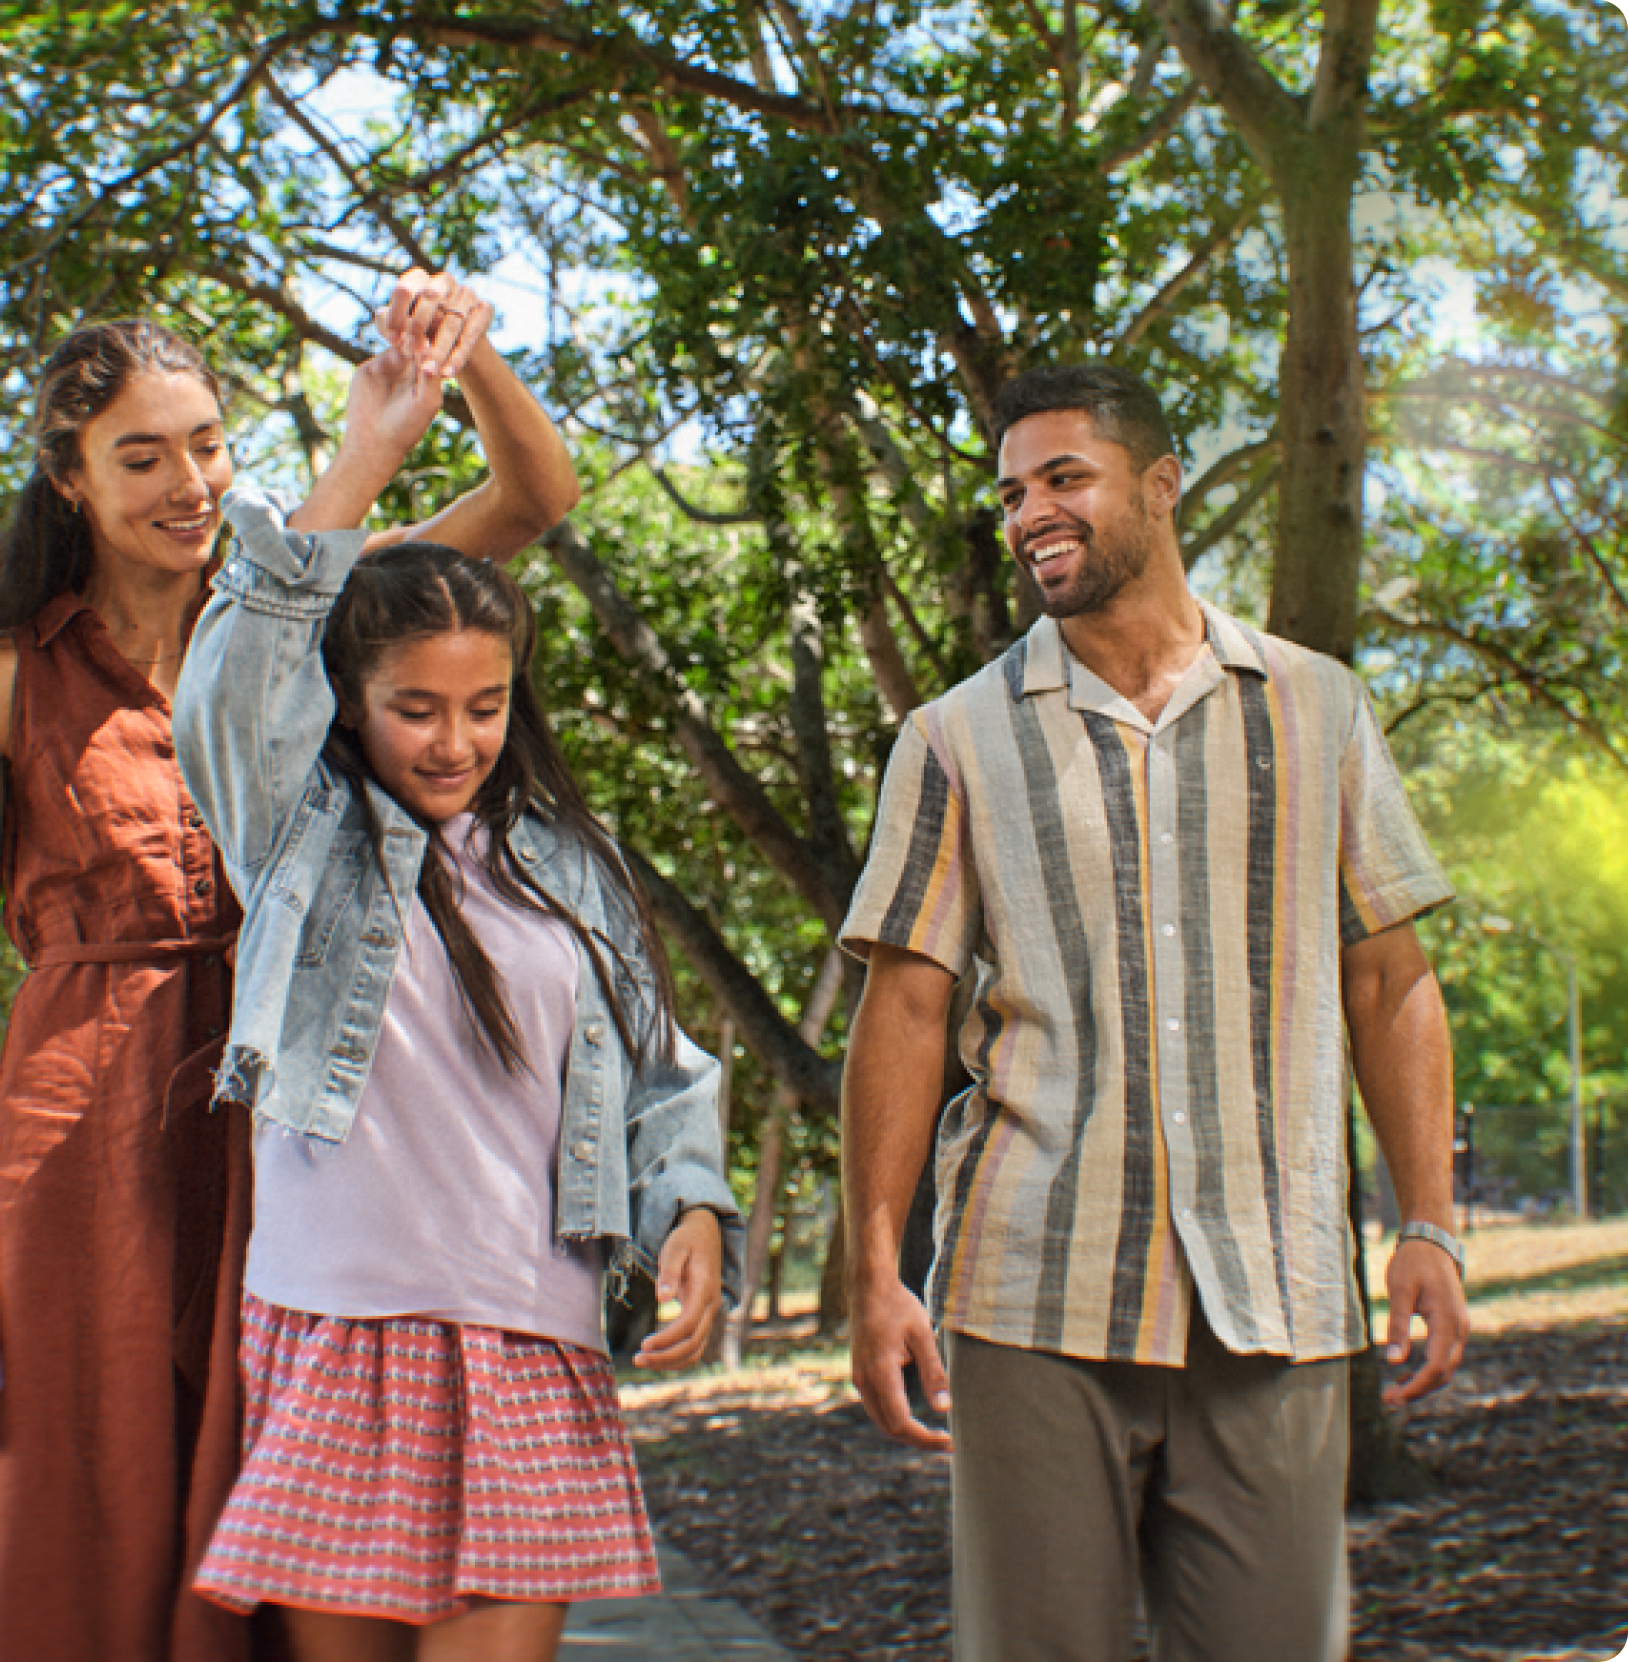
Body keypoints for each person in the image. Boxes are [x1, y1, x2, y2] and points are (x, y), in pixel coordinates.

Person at [0, 270, 552, 1662]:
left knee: (304, 1515)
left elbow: (529, 498)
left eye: (210, 441)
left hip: (298, 1119)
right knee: (70, 1520)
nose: (191, 480)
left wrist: (462, 357)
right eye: (143, 454)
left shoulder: (316, 602)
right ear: (69, 478)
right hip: (77, 1152)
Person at [838, 364, 1470, 1662]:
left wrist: (1430, 1222)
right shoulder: (955, 738)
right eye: (1013, 491)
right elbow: (903, 1011)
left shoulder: (1317, 706)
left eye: (1064, 478)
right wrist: (876, 1273)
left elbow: (1389, 980)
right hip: (1034, 1295)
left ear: (1163, 484)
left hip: (1277, 1294)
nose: (1029, 515)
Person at [170, 281, 743, 1662]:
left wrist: (697, 1206)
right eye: (414, 709)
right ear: (352, 709)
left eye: (482, 707)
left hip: (532, 1338)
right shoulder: (299, 835)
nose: (452, 739)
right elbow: (239, 675)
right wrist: (371, 449)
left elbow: (660, 1069)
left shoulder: (565, 864)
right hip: (338, 1330)